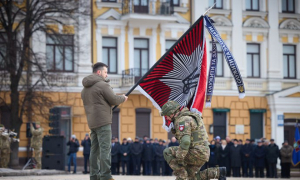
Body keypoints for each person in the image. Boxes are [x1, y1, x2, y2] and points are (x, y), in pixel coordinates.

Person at [81, 62, 127, 180]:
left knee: (94, 150)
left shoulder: (85, 89)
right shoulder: (102, 85)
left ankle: (94, 176)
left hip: (92, 122)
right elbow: (114, 99)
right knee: (105, 149)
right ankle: (106, 175)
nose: (107, 75)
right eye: (105, 72)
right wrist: (123, 98)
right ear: (99, 72)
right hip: (103, 122)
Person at [161, 101, 226, 180]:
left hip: (196, 152)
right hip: (203, 152)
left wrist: (180, 158)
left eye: (166, 116)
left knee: (167, 152)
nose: (167, 118)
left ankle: (181, 174)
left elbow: (185, 142)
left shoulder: (182, 120)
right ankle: (217, 172)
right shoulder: (190, 116)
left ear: (172, 113)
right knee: (191, 177)